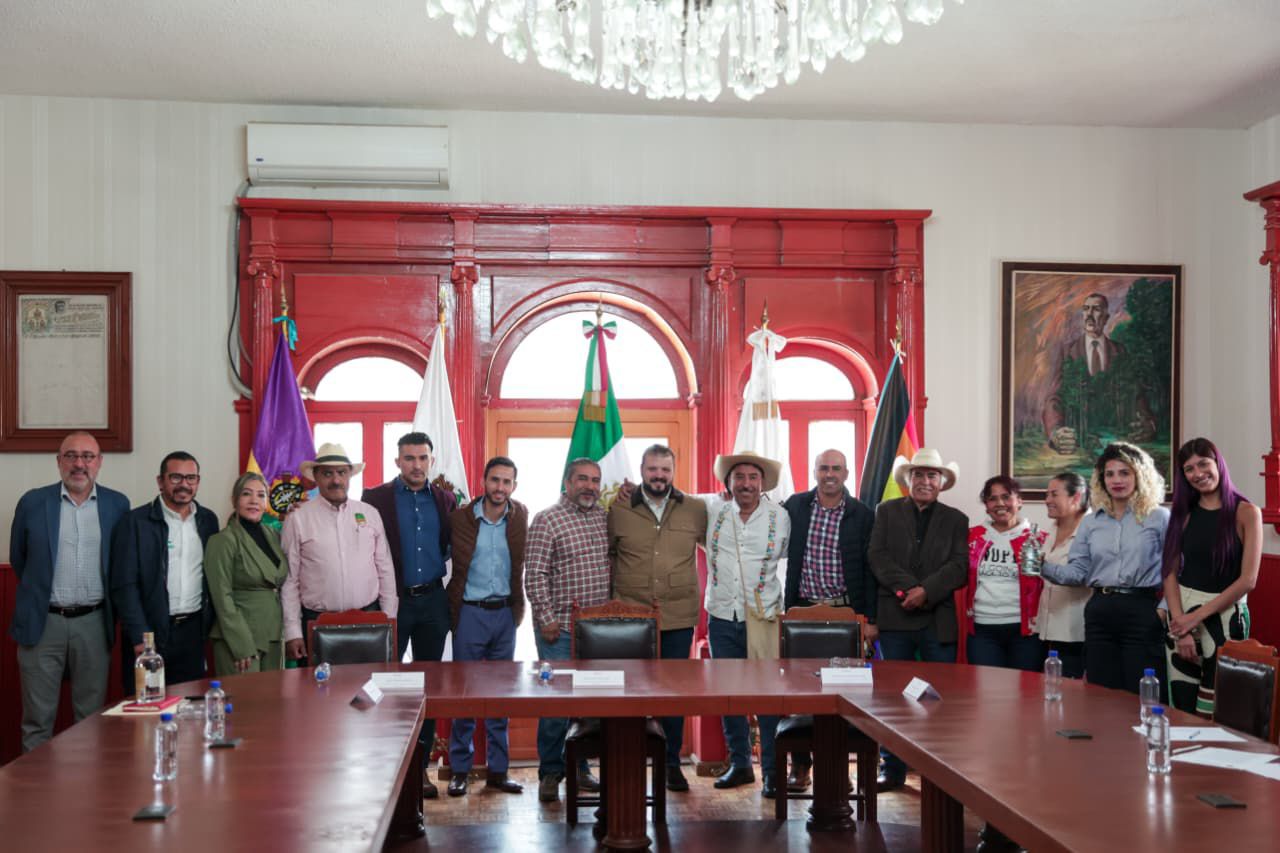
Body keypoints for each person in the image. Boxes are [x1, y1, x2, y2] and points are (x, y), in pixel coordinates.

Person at [8, 432, 128, 751]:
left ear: (99, 462)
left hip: (94, 623)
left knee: (90, 719)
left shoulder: (117, 504)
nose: (79, 463)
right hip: (42, 623)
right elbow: (20, 559)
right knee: (37, 720)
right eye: (71, 456)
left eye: (88, 456)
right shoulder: (33, 502)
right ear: (58, 461)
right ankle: (37, 784)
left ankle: (85, 783)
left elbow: (120, 562)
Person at [361, 432, 457, 799]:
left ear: (431, 461)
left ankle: (420, 770)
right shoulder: (375, 499)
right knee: (379, 684)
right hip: (392, 601)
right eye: (409, 458)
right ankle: (382, 767)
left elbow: (449, 546)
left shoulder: (445, 499)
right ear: (397, 461)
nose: (417, 465)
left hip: (432, 602)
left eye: (423, 458)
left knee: (425, 688)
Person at [608, 444, 708, 793]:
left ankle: (671, 764)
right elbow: (606, 555)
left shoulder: (696, 508)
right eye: (653, 469)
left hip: (678, 617)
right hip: (630, 617)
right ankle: (630, 761)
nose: (659, 476)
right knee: (631, 693)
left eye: (665, 470)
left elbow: (720, 537)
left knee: (673, 695)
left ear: (673, 471)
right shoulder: (618, 508)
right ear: (642, 470)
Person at [868, 447, 968, 791]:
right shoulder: (885, 511)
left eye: (932, 475)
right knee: (894, 697)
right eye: (919, 474)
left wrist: (926, 591)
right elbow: (877, 557)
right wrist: (908, 589)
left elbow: (959, 567)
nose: (925, 481)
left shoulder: (956, 519)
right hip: (895, 618)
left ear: (941, 482)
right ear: (908, 480)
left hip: (937, 620)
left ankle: (937, 771)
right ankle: (892, 768)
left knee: (937, 697)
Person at [780, 448, 876, 793]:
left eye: (836, 468)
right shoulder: (795, 506)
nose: (830, 474)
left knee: (843, 696)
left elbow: (870, 570)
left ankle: (836, 768)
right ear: (814, 472)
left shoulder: (862, 514)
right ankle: (800, 766)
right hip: (802, 613)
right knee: (799, 694)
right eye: (823, 468)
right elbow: (761, 516)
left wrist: (869, 620)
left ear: (846, 474)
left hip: (845, 615)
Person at [1041, 442, 1170, 694]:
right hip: (1100, 611)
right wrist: (1041, 566)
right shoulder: (1091, 522)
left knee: (1140, 691)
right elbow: (1078, 573)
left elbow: (1176, 568)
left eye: (1124, 473)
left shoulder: (1159, 517)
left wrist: (1164, 610)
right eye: (1109, 474)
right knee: (1101, 693)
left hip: (1142, 610)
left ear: (1140, 475)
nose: (1116, 480)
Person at [702, 451, 791, 799]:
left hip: (764, 616)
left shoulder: (781, 517)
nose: (746, 483)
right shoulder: (711, 510)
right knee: (729, 696)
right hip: (722, 616)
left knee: (768, 697)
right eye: (739, 477)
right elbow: (672, 498)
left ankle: (772, 772)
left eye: (753, 477)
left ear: (762, 482)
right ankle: (740, 764)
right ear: (729, 482)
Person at [524, 457, 610, 803]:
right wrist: (546, 618)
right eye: (583, 479)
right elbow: (535, 574)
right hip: (558, 629)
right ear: (567, 482)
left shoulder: (604, 518)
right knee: (555, 705)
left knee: (587, 706)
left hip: (597, 633)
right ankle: (550, 772)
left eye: (595, 480)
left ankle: (580, 768)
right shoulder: (547, 519)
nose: (590, 486)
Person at [1160, 438, 1261, 716]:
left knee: (1216, 708)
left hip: (1226, 616)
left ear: (1218, 464)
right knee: (1181, 705)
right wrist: (1181, 624)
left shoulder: (1247, 512)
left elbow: (1248, 580)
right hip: (1181, 614)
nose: (1198, 473)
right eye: (1189, 469)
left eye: (1203, 464)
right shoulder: (1182, 514)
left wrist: (1196, 617)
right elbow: (1169, 571)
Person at [445, 456, 527, 796]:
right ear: (484, 481)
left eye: (507, 482)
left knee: (500, 696)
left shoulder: (520, 516)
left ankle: (498, 771)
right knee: (464, 694)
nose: (500, 487)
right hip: (470, 613)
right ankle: (460, 770)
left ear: (514, 486)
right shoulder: (460, 518)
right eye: (495, 480)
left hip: (504, 614)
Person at [111, 451, 220, 689]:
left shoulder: (208, 520)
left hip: (193, 632)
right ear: (161, 481)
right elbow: (124, 585)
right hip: (150, 633)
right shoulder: (135, 522)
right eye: (176, 477)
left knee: (189, 703)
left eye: (191, 478)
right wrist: (140, 634)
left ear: (198, 482)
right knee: (148, 704)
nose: (184, 484)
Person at [281, 443, 397, 661]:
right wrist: (293, 632)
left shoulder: (370, 514)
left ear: (349, 476)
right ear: (316, 477)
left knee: (368, 681)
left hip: (369, 620)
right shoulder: (298, 518)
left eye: (341, 473)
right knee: (319, 683)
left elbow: (385, 569)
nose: (335, 480)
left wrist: (389, 619)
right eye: (327, 474)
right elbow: (289, 579)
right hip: (317, 622)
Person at [204, 472, 289, 675]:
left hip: (273, 633)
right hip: (240, 638)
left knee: (272, 696)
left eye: (261, 495)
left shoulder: (273, 535)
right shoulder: (222, 540)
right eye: (246, 494)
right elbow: (221, 597)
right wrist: (240, 644)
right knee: (244, 696)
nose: (254, 501)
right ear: (234, 499)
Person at [963, 476, 1046, 672]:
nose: (1000, 503)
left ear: (1019, 501)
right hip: (983, 630)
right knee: (987, 690)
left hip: (1026, 632)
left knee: (1026, 689)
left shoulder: (1039, 539)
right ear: (986, 506)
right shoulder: (971, 537)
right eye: (992, 499)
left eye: (1006, 497)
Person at [1037, 472, 1092, 678]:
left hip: (1076, 631)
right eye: (1047, 494)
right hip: (1049, 630)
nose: (1047, 500)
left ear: (1076, 497)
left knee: (1073, 691)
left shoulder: (1092, 528)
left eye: (1054, 494)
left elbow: (1079, 576)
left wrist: (1039, 565)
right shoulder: (1052, 528)